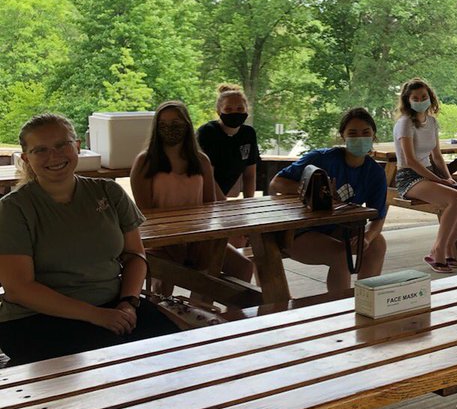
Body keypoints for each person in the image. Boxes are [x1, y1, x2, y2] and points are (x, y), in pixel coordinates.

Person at [0, 113, 180, 365]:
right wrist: (96, 316)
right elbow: (19, 289)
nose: (54, 156)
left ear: (77, 147)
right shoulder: (14, 208)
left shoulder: (108, 192)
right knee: (104, 367)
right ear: (26, 159)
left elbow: (135, 255)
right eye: (40, 149)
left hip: (115, 305)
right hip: (35, 317)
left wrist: (128, 303)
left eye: (62, 144)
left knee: (177, 355)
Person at [131, 101, 256, 283]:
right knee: (167, 278)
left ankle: (201, 307)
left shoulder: (201, 160)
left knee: (243, 267)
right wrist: (172, 243)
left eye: (176, 123)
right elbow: (144, 213)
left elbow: (209, 207)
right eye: (163, 124)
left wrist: (202, 240)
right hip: (160, 241)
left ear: (187, 125)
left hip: (198, 236)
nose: (169, 128)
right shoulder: (145, 161)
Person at [270, 107, 388, 290]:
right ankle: (338, 309)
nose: (360, 138)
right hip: (297, 231)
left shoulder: (375, 173)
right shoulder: (321, 159)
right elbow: (276, 184)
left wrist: (367, 237)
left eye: (365, 132)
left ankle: (367, 301)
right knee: (341, 254)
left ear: (374, 135)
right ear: (343, 136)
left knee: (377, 244)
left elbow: (378, 217)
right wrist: (313, 189)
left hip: (335, 227)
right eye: (353, 133)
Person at [393, 78, 457, 273]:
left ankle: (447, 245)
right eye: (415, 98)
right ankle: (438, 250)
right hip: (409, 176)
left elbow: (437, 156)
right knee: (456, 199)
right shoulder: (405, 123)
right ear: (408, 101)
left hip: (430, 173)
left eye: (424, 96)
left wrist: (449, 179)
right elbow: (411, 160)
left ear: (430, 97)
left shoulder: (432, 122)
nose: (420, 100)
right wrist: (439, 181)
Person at [197, 84, 261, 200]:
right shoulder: (207, 132)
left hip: (220, 199)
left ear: (247, 110)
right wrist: (223, 204)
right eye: (228, 109)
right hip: (199, 196)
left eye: (240, 109)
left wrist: (249, 203)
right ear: (218, 111)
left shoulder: (248, 134)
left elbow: (250, 175)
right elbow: (208, 175)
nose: (234, 113)